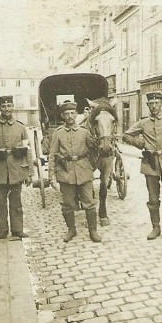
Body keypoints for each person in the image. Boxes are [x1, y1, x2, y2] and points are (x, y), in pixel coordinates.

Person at [122, 92, 162, 247]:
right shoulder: (143, 122)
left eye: (157, 103)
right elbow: (126, 135)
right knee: (152, 199)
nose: (154, 106)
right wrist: (142, 144)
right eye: (151, 104)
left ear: (161, 103)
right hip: (150, 164)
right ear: (147, 105)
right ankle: (155, 228)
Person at [0, 95, 33, 240]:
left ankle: (17, 229)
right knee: (1, 202)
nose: (7, 109)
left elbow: (27, 149)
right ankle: (2, 229)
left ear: (13, 107)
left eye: (9, 106)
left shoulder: (20, 127)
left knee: (16, 202)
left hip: (17, 169)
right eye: (4, 106)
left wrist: (29, 172)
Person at [49, 99, 102, 243]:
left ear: (76, 114)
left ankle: (93, 231)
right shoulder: (58, 133)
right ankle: (71, 230)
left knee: (89, 203)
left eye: (72, 113)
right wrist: (51, 175)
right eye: (66, 114)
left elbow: (94, 150)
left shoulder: (85, 132)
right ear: (62, 116)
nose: (70, 116)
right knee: (68, 204)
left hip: (83, 171)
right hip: (65, 173)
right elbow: (52, 154)